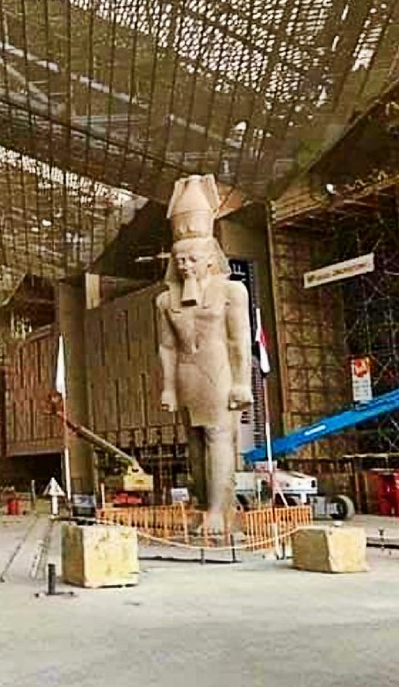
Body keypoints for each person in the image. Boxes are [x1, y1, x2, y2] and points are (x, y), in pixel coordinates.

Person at [156, 174, 253, 533]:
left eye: (191, 259)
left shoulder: (232, 291)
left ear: (210, 259)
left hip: (218, 370)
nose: (184, 266)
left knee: (217, 434)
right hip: (186, 372)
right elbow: (166, 346)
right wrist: (167, 387)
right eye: (179, 260)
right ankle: (201, 504)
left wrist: (243, 382)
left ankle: (218, 509)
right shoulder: (165, 299)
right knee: (194, 442)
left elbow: (238, 340)